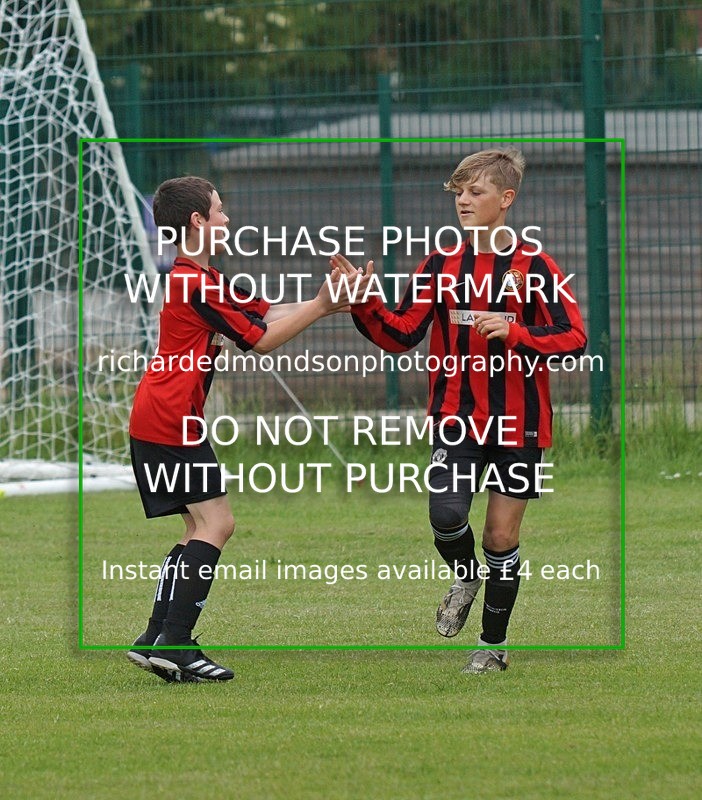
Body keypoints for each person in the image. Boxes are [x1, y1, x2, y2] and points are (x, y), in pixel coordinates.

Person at [332, 148, 586, 673]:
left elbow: (574, 336)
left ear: (506, 199)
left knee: (501, 536)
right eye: (459, 191)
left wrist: (517, 332)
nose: (464, 201)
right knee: (446, 516)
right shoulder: (440, 263)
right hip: (456, 416)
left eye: (476, 191)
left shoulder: (534, 265)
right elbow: (401, 333)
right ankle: (466, 575)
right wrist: (364, 302)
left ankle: (491, 648)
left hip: (519, 422)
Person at [127, 176, 367, 683]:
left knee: (196, 527)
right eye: (219, 210)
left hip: (160, 415)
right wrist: (322, 306)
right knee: (217, 525)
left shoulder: (206, 279)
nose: (227, 218)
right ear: (197, 221)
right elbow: (260, 340)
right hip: (171, 419)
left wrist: (330, 302)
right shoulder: (196, 284)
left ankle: (156, 637)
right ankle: (177, 644)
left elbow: (264, 313)